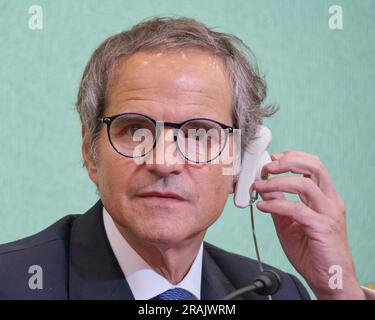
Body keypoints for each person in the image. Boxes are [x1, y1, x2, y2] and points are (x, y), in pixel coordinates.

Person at [0, 17, 373, 300]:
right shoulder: (12, 281)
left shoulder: (277, 293)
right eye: (134, 130)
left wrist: (339, 290)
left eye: (199, 135)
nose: (163, 161)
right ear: (91, 151)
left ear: (240, 164)